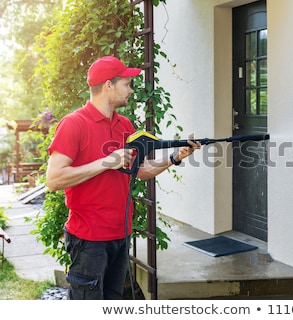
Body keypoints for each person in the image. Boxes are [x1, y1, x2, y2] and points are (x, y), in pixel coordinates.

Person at [46, 56, 201, 300]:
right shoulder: (74, 124)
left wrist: (175, 157)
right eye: (127, 84)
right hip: (88, 239)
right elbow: (54, 179)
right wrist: (107, 162)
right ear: (108, 85)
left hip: (120, 233)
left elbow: (142, 169)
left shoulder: (124, 125)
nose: (130, 90)